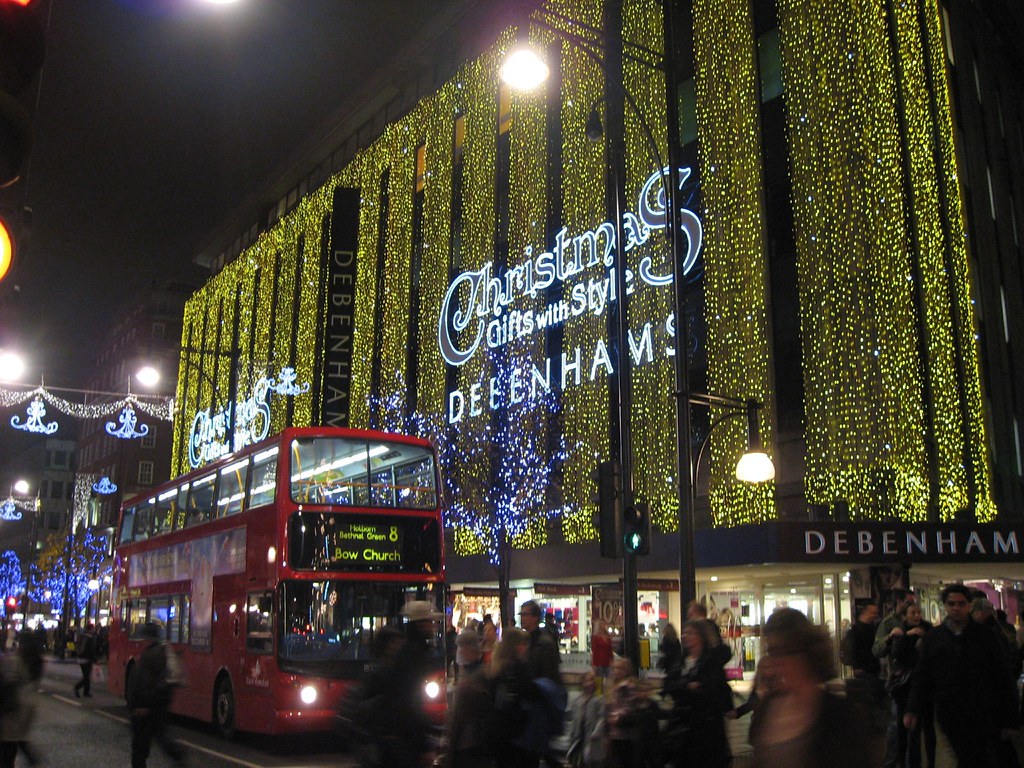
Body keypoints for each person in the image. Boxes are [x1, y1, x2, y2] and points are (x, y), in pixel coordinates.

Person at [904, 584, 1019, 767]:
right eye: (951, 604)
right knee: (967, 755)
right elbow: (923, 675)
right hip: (950, 710)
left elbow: (1001, 674)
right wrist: (913, 707)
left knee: (974, 756)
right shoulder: (935, 638)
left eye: (960, 603)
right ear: (945, 606)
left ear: (968, 605)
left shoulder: (984, 637)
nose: (956, 608)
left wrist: (1010, 717)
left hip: (980, 710)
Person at [749, 608, 871, 768]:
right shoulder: (767, 707)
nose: (776, 662)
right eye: (772, 653)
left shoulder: (837, 715)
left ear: (806, 653)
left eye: (784, 652)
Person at [662, 620, 732, 768]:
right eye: (685, 634)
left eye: (691, 633)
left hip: (706, 725)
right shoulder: (680, 661)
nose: (687, 637)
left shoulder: (710, 660)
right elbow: (668, 685)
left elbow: (715, 687)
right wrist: (687, 686)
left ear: (701, 637)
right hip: (683, 724)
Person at [127, 621, 186, 768]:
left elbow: (142, 682)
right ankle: (178, 754)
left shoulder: (148, 656)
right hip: (161, 701)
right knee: (160, 734)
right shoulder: (166, 652)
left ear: (149, 638)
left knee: (140, 745)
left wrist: (140, 705)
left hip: (146, 706)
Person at [885, 601, 933, 768]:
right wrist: (907, 635)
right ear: (904, 616)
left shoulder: (929, 631)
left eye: (918, 612)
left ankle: (925, 762)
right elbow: (896, 654)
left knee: (926, 727)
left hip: (924, 687)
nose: (916, 615)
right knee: (903, 729)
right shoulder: (900, 632)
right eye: (912, 613)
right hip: (904, 688)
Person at [439, 627, 493, 768]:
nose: (459, 652)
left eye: (461, 648)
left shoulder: (475, 678)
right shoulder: (475, 674)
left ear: (469, 649)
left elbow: (460, 717)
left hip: (469, 745)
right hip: (473, 744)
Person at [604, 656, 656, 768]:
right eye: (614, 668)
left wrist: (617, 718)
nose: (616, 671)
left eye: (620, 669)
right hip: (616, 733)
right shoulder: (614, 686)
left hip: (626, 734)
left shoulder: (627, 686)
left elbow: (630, 707)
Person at [566, 670, 605, 768]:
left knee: (592, 761)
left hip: (592, 737)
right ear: (583, 683)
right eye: (589, 680)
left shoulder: (598, 700)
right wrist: (572, 734)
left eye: (593, 680)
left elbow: (602, 717)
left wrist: (597, 732)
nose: (591, 683)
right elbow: (574, 719)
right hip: (579, 738)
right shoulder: (577, 701)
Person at [73, 622, 98, 698]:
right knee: (87, 676)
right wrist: (94, 659)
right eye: (93, 628)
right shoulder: (90, 638)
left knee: (86, 675)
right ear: (90, 629)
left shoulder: (82, 636)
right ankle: (77, 688)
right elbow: (91, 650)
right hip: (87, 659)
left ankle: (86, 692)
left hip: (81, 658)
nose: (94, 630)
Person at [657, 622, 682, 695]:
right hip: (675, 662)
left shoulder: (666, 639)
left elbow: (663, 650)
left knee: (667, 677)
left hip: (668, 662)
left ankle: (665, 692)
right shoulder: (676, 640)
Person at [591, 621, 613, 693]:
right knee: (599, 678)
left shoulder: (607, 636)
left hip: (607, 661)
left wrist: (612, 660)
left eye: (604, 625)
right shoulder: (595, 637)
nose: (603, 626)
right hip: (599, 661)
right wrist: (594, 663)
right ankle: (598, 693)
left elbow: (610, 650)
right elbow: (594, 651)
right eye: (601, 625)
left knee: (608, 678)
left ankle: (608, 692)